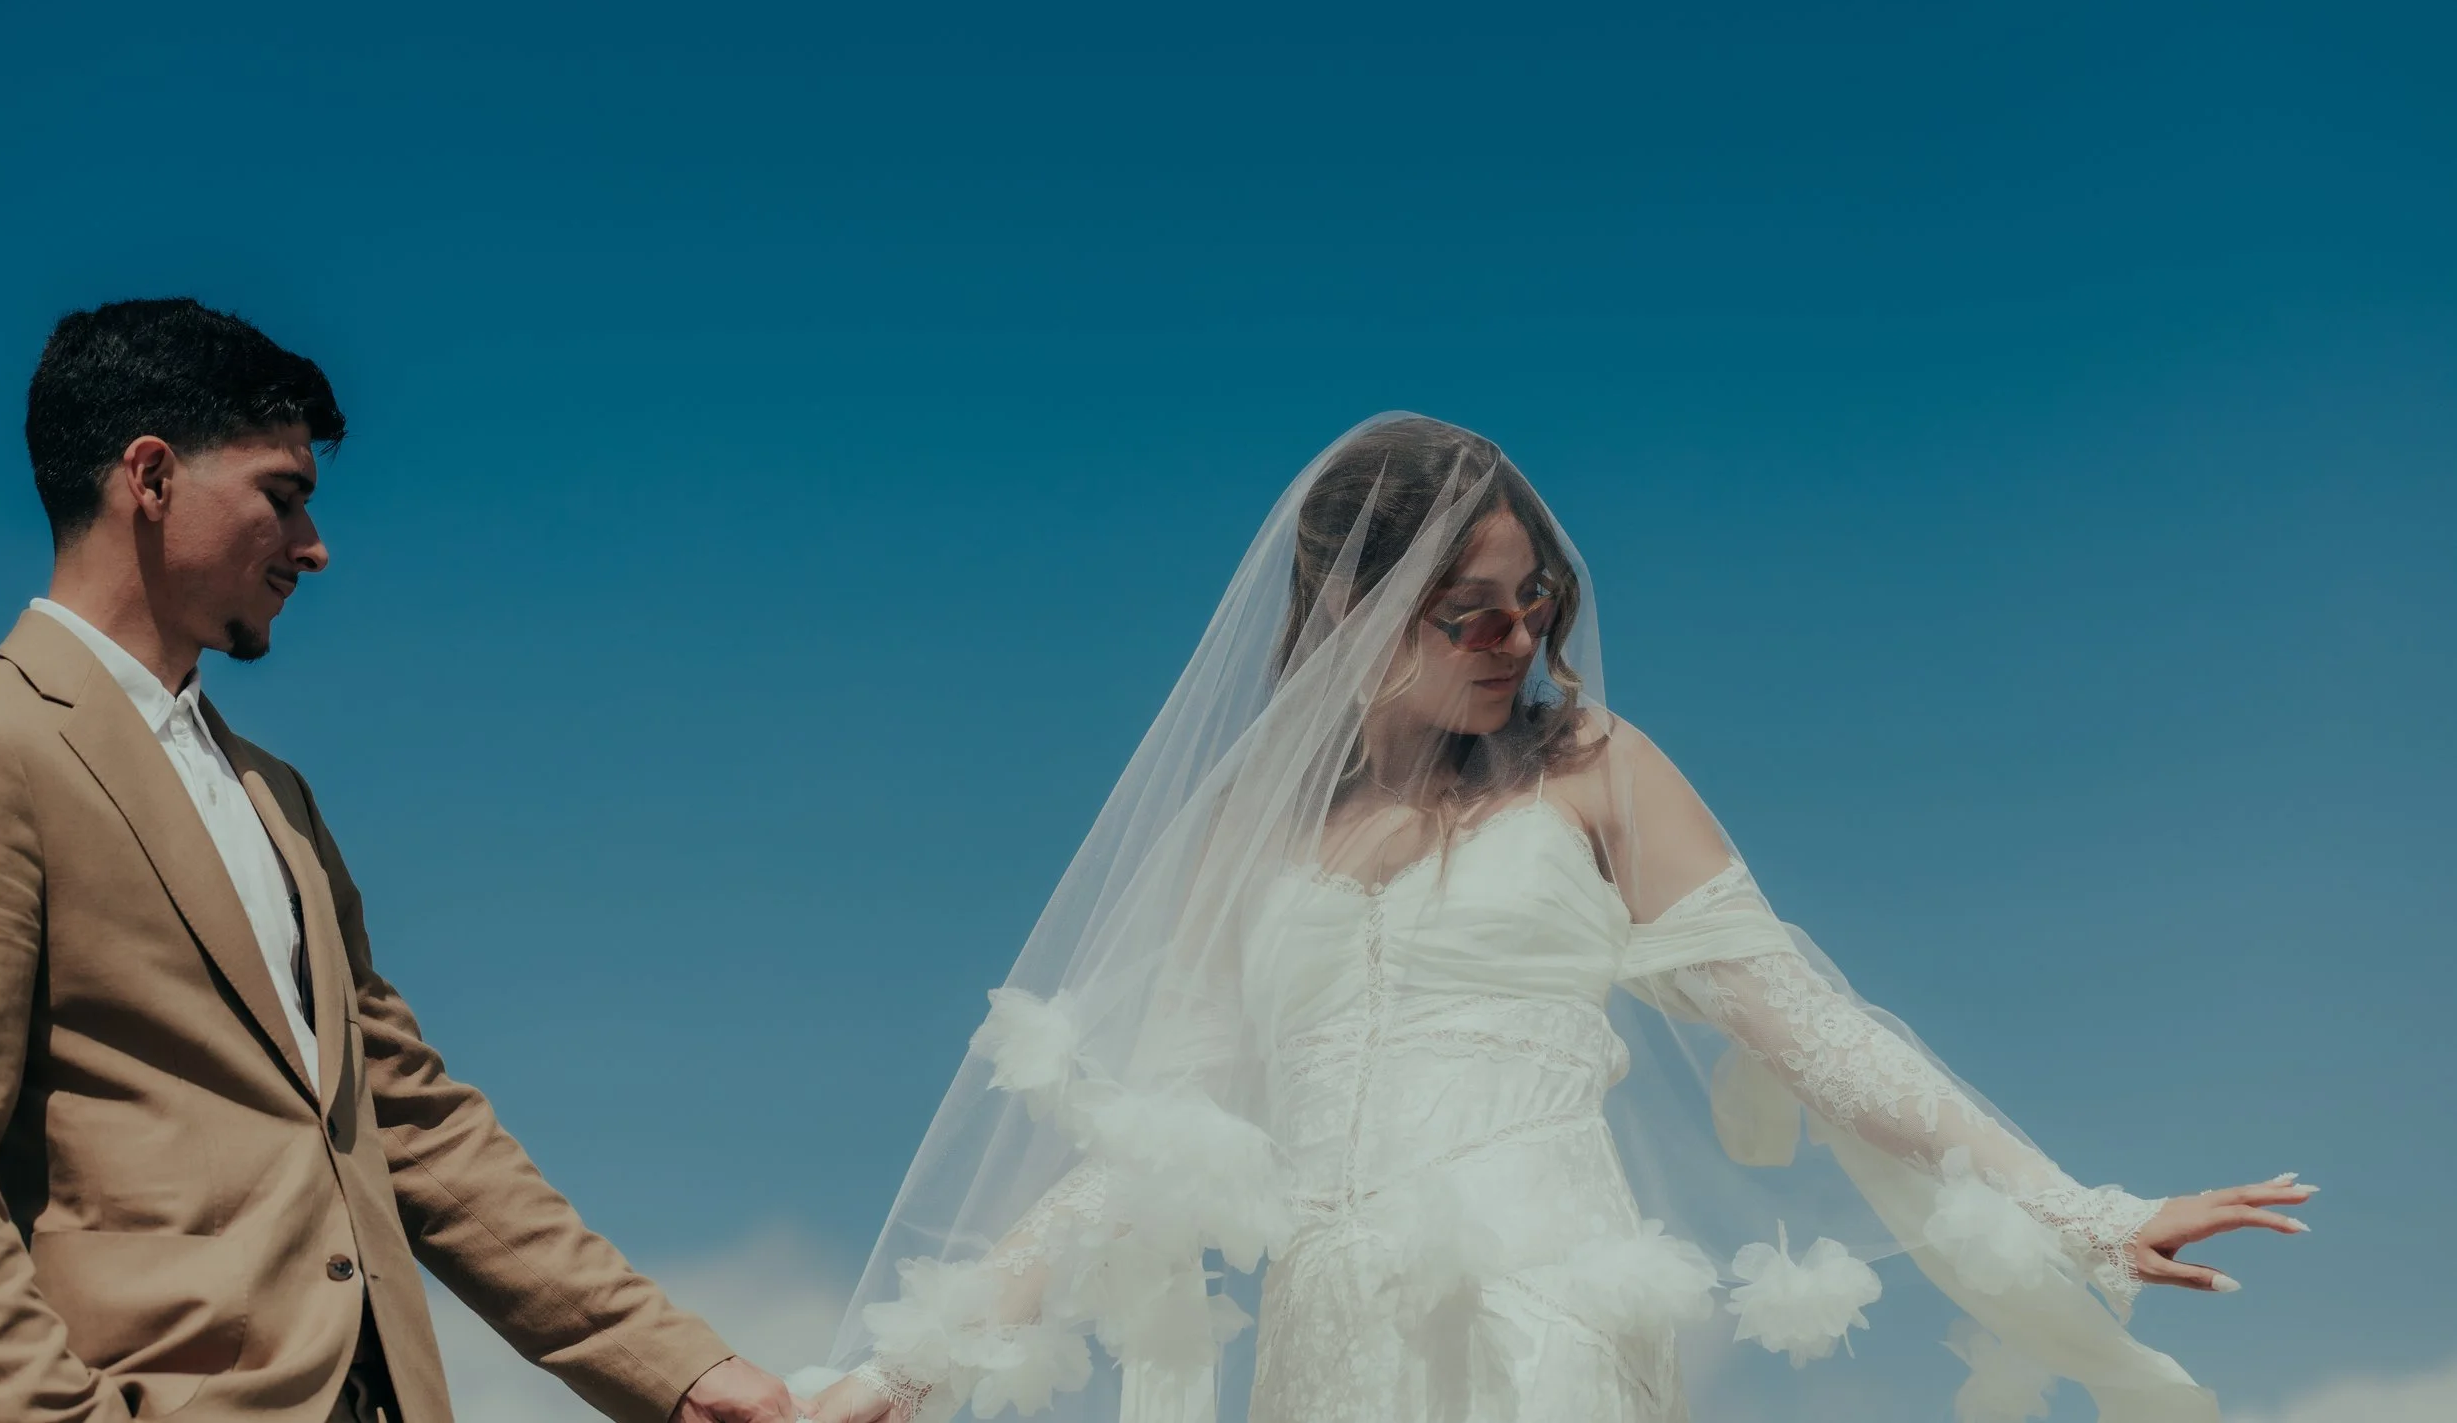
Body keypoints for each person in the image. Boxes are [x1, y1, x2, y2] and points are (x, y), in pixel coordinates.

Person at [802, 414, 2309, 1423]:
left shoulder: (1593, 763)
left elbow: (1815, 1030)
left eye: (1538, 598)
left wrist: (2082, 1207)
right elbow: (1148, 1150)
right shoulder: (1244, 837)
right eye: (1468, 607)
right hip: (1328, 1328)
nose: (1517, 638)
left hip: (1548, 1296)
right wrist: (903, 1366)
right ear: (1349, 612)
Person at [0, 300, 806, 1423]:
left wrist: (683, 1373)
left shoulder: (279, 795)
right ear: (151, 476)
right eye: (284, 495)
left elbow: (405, 1115)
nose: (314, 546)